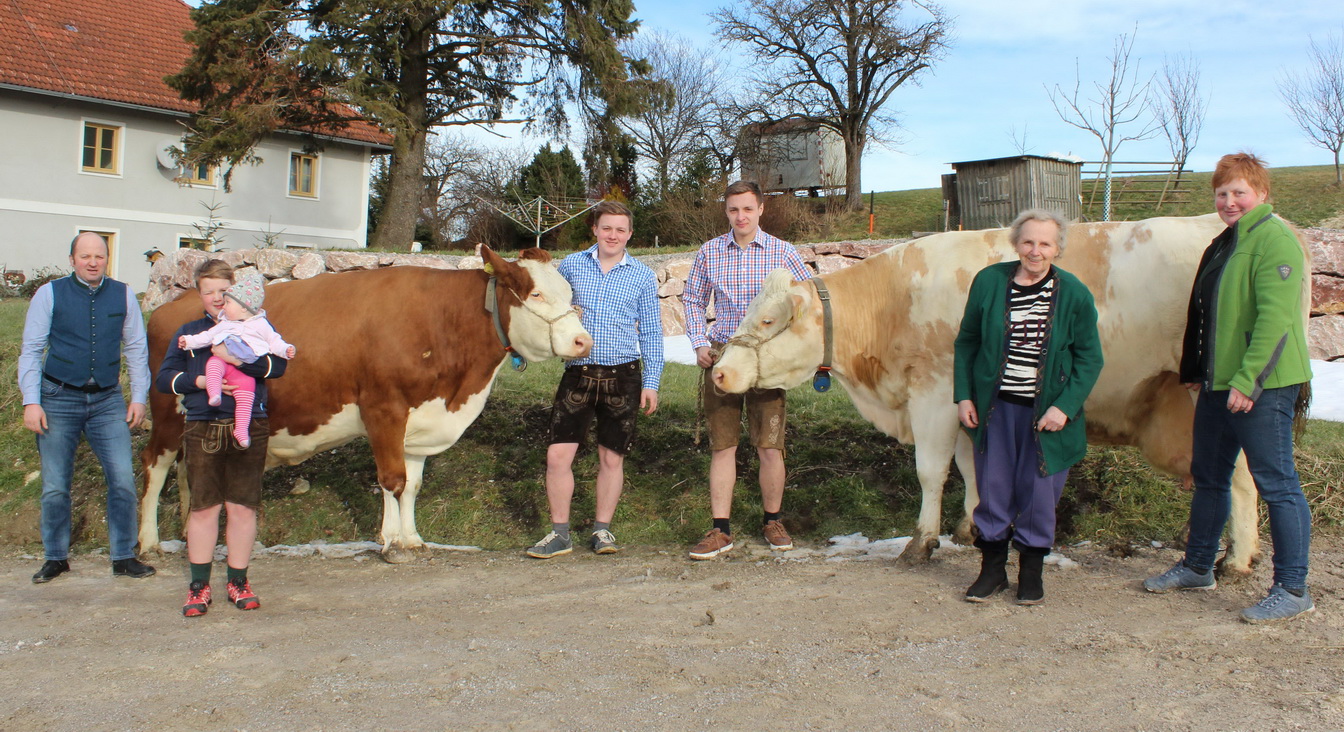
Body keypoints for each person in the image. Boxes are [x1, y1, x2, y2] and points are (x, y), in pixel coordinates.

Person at [1143, 152, 1316, 624]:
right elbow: (1207, 312)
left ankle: (1293, 586)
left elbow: (1276, 321)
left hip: (1262, 385)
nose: (1229, 200)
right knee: (1210, 475)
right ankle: (1198, 566)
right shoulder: (1227, 242)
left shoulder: (1274, 239)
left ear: (1261, 193)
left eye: (1239, 191)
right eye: (1221, 193)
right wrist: (1197, 368)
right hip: (1220, 381)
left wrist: (1249, 382)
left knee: (1276, 482)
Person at [954, 208, 1103, 605]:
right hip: (995, 409)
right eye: (1028, 242)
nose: (1035, 251)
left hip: (1048, 415)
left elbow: (1090, 359)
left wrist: (1065, 408)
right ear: (1016, 243)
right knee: (994, 489)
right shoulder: (989, 282)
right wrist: (964, 395)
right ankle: (992, 572)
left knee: (1039, 494)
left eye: (1045, 243)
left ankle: (1031, 575)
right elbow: (967, 342)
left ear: (1057, 249)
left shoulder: (1073, 294)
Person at [682, 180, 813, 560]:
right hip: (723, 356)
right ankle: (720, 529)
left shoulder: (782, 252)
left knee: (769, 445)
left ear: (760, 210)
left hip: (766, 360)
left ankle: (772, 520)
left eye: (747, 209)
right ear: (726, 212)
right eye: (733, 210)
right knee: (723, 445)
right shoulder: (710, 252)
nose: (741, 216)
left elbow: (806, 302)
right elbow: (692, 299)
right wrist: (699, 343)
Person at [527, 201, 663, 559]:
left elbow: (650, 333)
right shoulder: (571, 266)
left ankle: (602, 531)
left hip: (624, 377)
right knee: (558, 456)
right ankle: (559, 534)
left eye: (620, 229)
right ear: (595, 230)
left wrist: (653, 381)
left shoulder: (642, 275)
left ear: (630, 234)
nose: (613, 235)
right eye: (607, 228)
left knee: (611, 459)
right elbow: (548, 307)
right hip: (578, 375)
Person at [19, 232, 157, 583]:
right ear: (72, 259)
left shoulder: (124, 294)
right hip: (57, 397)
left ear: (107, 258)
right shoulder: (49, 294)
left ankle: (124, 556)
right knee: (54, 485)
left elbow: (137, 350)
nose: (93, 262)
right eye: (85, 256)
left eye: (99, 255)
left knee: (123, 480)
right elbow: (32, 350)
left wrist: (139, 397)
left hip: (107, 400)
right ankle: (55, 557)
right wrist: (31, 401)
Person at [157, 260, 289, 616]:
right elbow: (164, 377)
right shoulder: (190, 331)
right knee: (204, 508)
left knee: (242, 507)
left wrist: (237, 357)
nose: (217, 298)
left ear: (235, 292)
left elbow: (278, 366)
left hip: (251, 425)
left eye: (223, 291)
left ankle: (238, 581)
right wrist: (197, 382)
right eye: (209, 292)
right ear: (199, 295)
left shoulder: (256, 326)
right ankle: (198, 587)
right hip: (202, 426)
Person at [177, 271, 296, 449]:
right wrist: (189, 343)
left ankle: (241, 430)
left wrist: (285, 349)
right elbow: (204, 337)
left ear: (243, 306)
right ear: (200, 294)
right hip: (204, 420)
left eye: (225, 295)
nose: (219, 301)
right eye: (209, 293)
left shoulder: (260, 325)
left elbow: (276, 354)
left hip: (247, 394)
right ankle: (214, 392)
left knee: (247, 394)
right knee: (214, 364)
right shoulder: (206, 326)